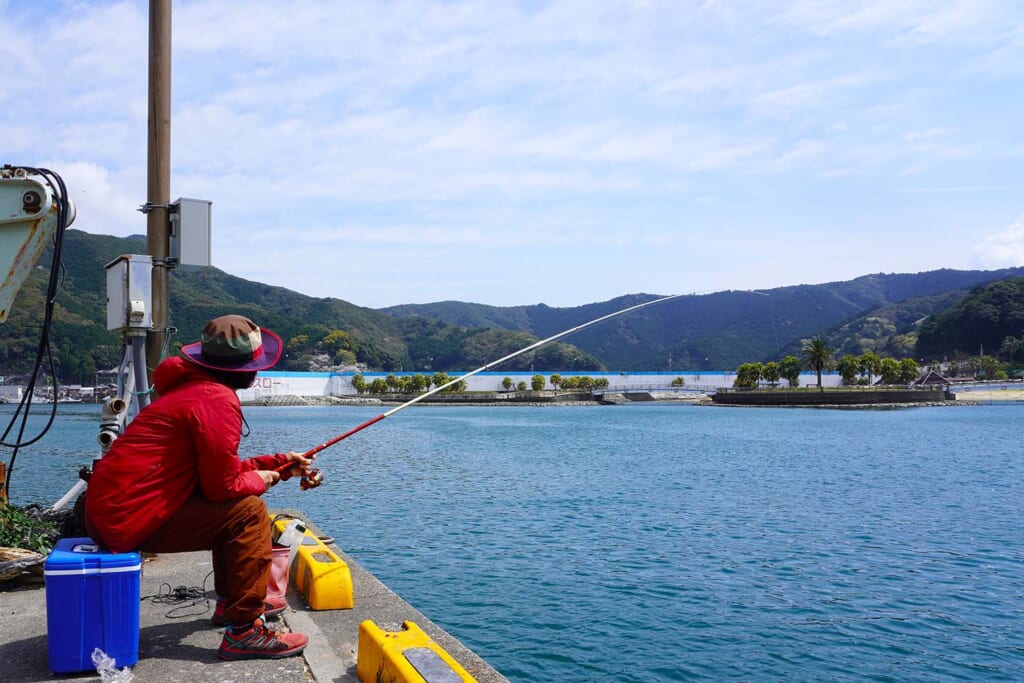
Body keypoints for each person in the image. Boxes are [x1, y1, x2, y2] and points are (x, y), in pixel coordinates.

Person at [85, 314, 311, 661]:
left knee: (239, 506)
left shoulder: (191, 391)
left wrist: (278, 465)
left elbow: (217, 472)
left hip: (113, 514)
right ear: (248, 368)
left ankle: (230, 607)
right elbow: (223, 486)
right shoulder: (216, 400)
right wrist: (263, 480)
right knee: (249, 512)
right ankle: (245, 630)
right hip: (128, 520)